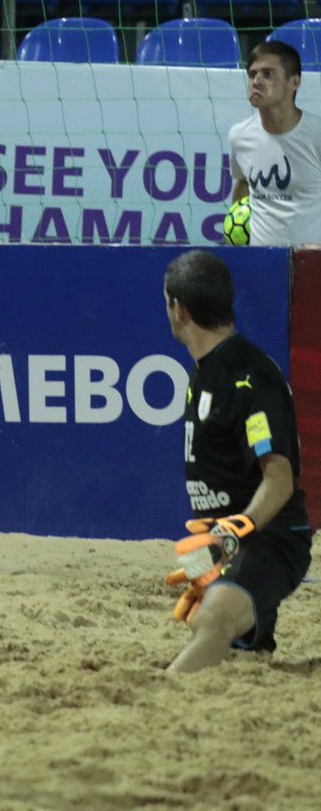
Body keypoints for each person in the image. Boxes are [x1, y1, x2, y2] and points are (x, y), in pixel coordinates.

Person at [163, 250, 311, 673]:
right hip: (230, 542)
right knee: (223, 635)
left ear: (179, 309)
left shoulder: (250, 377)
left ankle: (166, 697)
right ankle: (252, 639)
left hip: (271, 537)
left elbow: (279, 481)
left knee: (212, 621)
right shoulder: (205, 371)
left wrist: (232, 532)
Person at [228, 40, 321, 247]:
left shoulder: (317, 134)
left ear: (294, 82)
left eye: (268, 74)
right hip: (263, 264)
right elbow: (243, 182)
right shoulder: (239, 136)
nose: (257, 81)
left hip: (314, 266)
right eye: (252, 75)